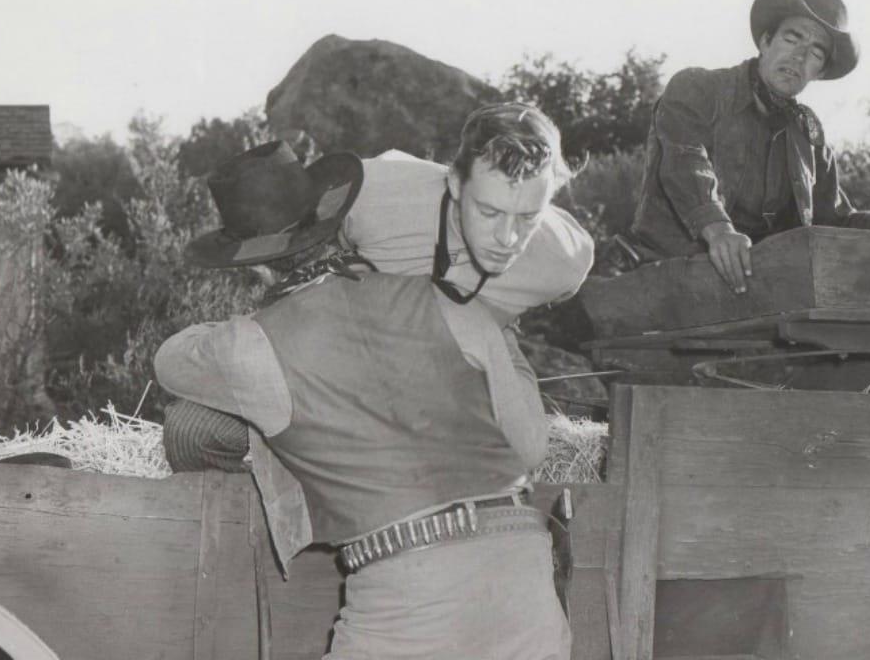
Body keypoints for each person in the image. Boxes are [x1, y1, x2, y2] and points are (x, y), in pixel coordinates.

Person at [155, 139, 572, 659]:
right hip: (523, 576)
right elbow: (531, 450)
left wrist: (250, 325)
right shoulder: (449, 301)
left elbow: (169, 362)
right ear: (338, 222)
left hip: (408, 590)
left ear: (257, 267)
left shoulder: (250, 347)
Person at [631, 0, 870, 294]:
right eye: (792, 38)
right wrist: (718, 230)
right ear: (765, 41)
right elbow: (685, 161)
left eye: (815, 53)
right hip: (672, 276)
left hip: (764, 291)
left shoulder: (808, 136)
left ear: (819, 72)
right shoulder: (698, 88)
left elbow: (833, 219)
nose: (799, 57)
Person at [341, 102, 594, 323]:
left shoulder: (565, 260)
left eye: (528, 217)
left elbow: (564, 288)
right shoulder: (371, 192)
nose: (508, 239)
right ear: (455, 183)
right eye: (489, 212)